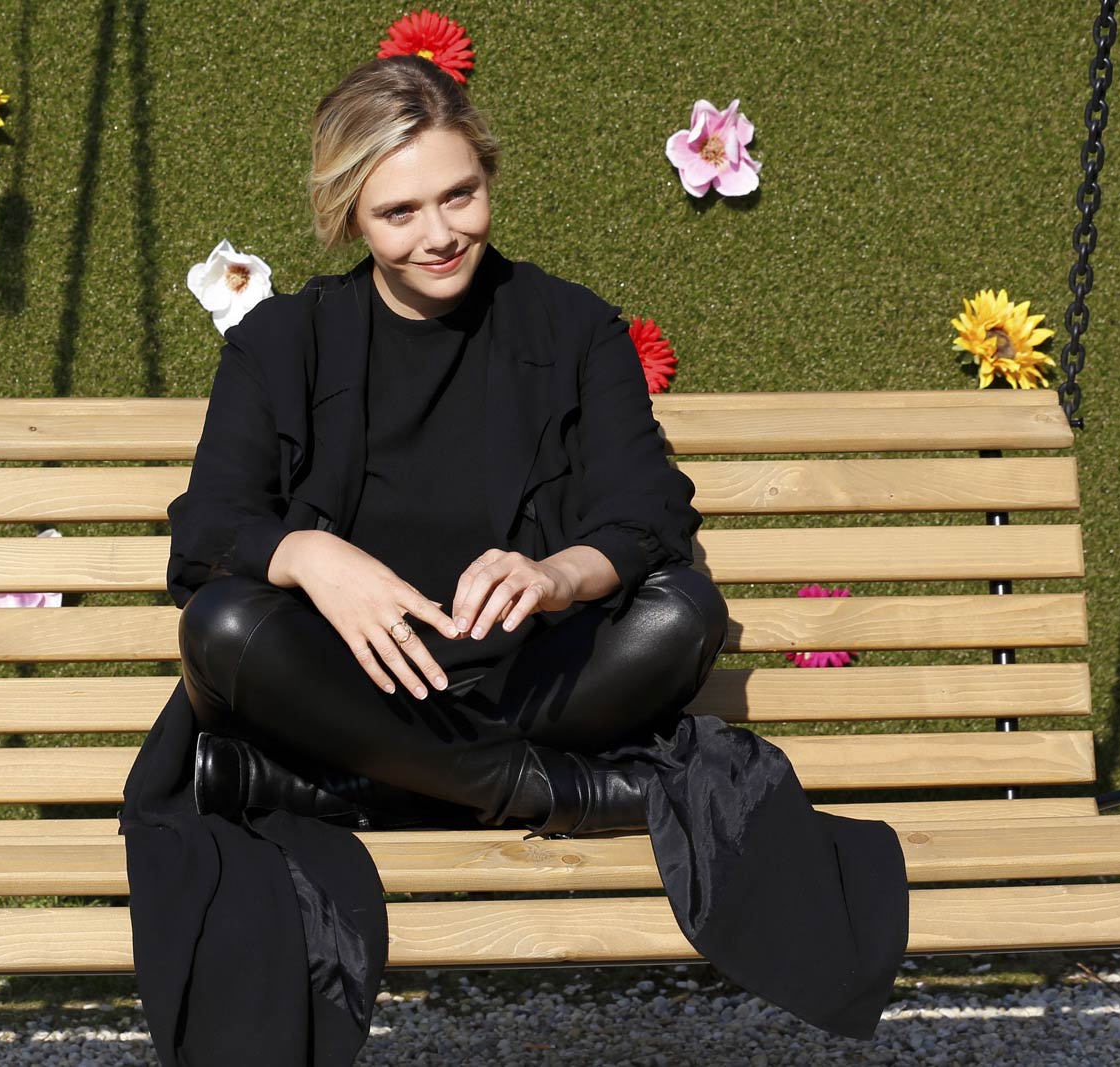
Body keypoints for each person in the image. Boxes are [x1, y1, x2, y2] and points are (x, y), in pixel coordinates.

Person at [121, 55, 908, 1067]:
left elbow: (648, 510)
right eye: (398, 211)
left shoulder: (571, 325)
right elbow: (208, 526)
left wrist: (557, 574)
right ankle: (557, 794)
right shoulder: (284, 341)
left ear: (488, 177)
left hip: (525, 679)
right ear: (348, 216)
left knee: (682, 612)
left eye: (460, 194)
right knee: (222, 625)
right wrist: (312, 556)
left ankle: (369, 790)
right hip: (342, 688)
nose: (438, 232)